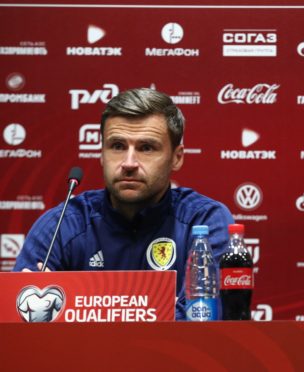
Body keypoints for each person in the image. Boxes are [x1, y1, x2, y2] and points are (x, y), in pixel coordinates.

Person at [14, 88, 234, 320]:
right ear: (101, 153)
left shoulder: (204, 222)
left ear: (176, 158)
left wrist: (70, 313)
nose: (129, 163)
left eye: (146, 148)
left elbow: (203, 320)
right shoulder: (61, 225)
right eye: (117, 146)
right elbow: (21, 318)